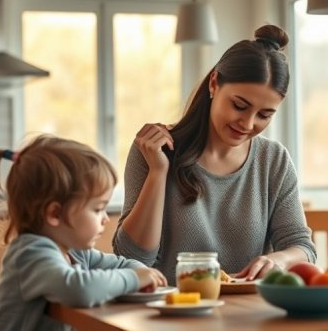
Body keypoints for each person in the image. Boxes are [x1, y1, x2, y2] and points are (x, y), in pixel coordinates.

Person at [112, 24, 317, 285]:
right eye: (239, 105)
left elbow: (302, 247)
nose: (247, 123)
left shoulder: (273, 160)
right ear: (214, 83)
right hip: (173, 314)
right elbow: (133, 257)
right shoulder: (155, 150)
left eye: (265, 115)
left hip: (248, 314)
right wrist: (158, 172)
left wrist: (280, 260)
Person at [0, 135, 167, 331]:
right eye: (97, 209)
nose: (105, 218)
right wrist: (135, 279)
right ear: (55, 213)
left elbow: (121, 263)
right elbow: (80, 289)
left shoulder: (75, 252)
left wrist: (144, 273)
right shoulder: (30, 254)